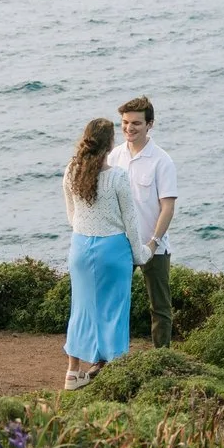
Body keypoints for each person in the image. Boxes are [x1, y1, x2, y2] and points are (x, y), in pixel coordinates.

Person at [60, 117, 140, 390]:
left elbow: (72, 216)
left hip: (81, 248)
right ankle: (113, 374)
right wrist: (141, 255)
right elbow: (131, 223)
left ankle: (73, 373)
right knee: (114, 311)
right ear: (110, 144)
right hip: (113, 250)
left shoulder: (71, 172)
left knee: (81, 309)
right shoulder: (117, 177)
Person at [108, 95, 178, 347]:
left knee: (159, 307)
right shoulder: (114, 157)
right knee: (115, 303)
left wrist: (153, 243)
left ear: (150, 124)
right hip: (121, 244)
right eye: (125, 123)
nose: (129, 128)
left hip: (154, 246)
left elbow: (167, 207)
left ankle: (162, 359)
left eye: (136, 123)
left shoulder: (162, 161)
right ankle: (110, 358)